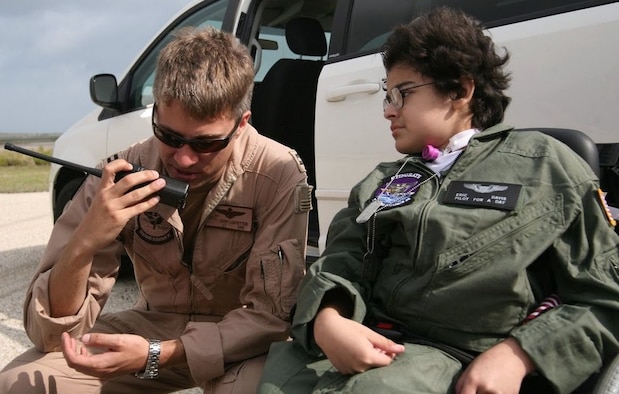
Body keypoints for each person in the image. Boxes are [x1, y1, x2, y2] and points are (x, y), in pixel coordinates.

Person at [257, 7, 619, 394]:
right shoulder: (386, 178)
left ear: (461, 90)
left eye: (403, 93)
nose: (388, 110)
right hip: (364, 341)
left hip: (457, 357)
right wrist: (328, 318)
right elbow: (342, 259)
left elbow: (604, 299)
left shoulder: (544, 166)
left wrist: (519, 353)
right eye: (387, 96)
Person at [0, 26, 311, 393]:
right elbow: (51, 334)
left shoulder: (276, 173)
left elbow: (270, 317)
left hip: (240, 345)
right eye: (169, 136)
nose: (183, 157)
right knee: (20, 384)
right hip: (153, 326)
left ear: (241, 125)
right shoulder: (123, 169)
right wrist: (85, 241)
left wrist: (158, 354)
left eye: (206, 143)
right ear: (155, 112)